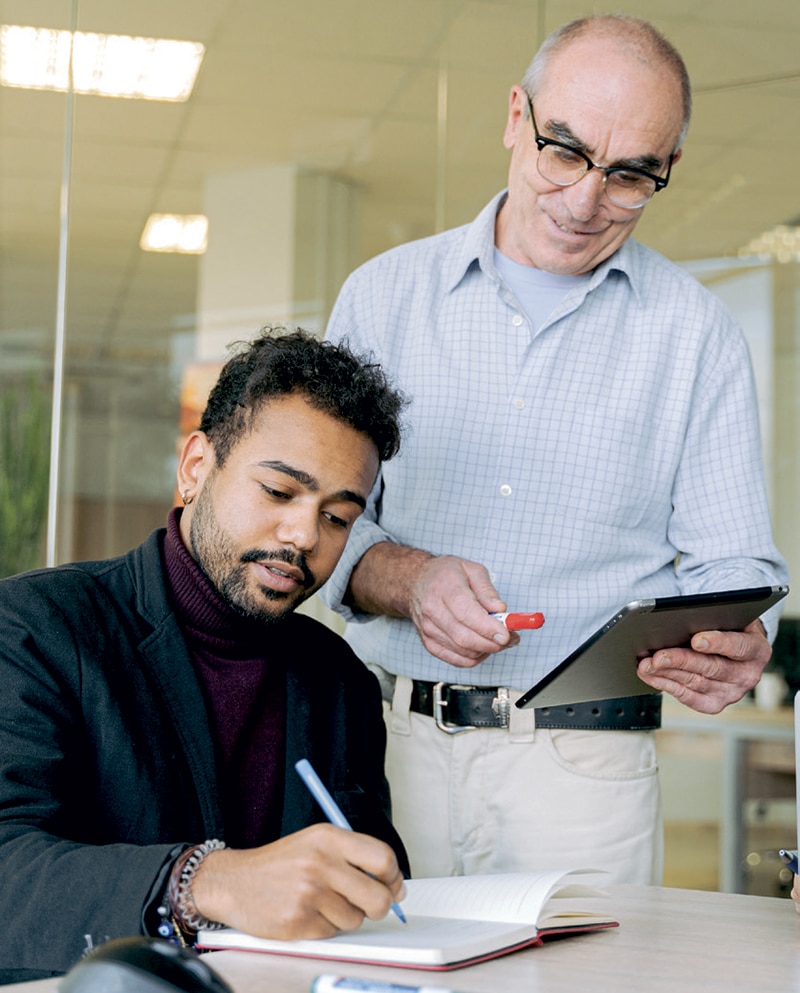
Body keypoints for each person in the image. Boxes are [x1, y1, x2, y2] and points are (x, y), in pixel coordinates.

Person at [322, 14, 789, 885]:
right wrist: (411, 578)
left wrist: (740, 638)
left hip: (587, 777)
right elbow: (324, 532)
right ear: (513, 116)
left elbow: (735, 564)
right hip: (385, 749)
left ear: (667, 170)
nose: (583, 201)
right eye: (564, 151)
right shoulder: (381, 298)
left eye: (629, 175)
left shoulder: (697, 335)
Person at [0, 327, 409, 983]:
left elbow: (363, 875)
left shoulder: (342, 680)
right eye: (279, 492)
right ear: (195, 467)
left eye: (337, 517)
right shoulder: (33, 628)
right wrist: (203, 881)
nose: (303, 535)